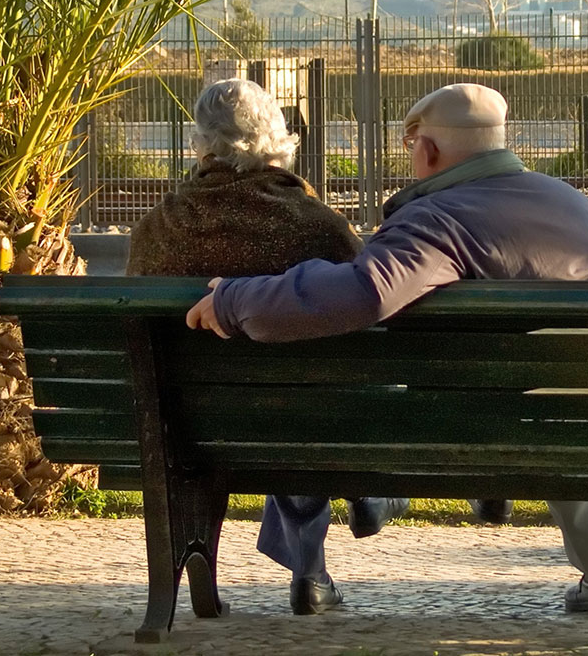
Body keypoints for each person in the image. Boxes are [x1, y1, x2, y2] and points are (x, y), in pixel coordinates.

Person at [186, 82, 588, 613]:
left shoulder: (437, 218)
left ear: (427, 150)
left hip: (478, 421)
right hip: (587, 413)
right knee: (557, 393)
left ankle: (380, 494)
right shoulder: (569, 201)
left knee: (367, 386)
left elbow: (366, 292)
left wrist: (235, 299)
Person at [126, 78, 408, 615]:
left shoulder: (156, 229)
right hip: (307, 416)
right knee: (300, 392)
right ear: (278, 138)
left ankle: (310, 568)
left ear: (200, 144)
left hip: (187, 427)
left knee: (272, 398)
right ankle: (321, 557)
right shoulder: (315, 224)